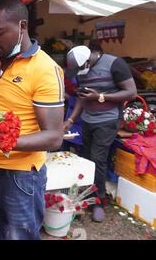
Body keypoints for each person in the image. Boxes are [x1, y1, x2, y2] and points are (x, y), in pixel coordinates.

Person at [0, 0, 64, 240]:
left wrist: (4, 142)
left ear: (22, 26)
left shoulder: (44, 70)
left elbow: (54, 137)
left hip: (21, 178)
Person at [64, 45, 137, 222]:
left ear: (88, 61)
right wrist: (70, 120)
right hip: (88, 120)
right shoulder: (82, 70)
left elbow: (131, 93)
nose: (79, 73)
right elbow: (83, 98)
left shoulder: (114, 64)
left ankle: (99, 202)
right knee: (86, 158)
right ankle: (86, 196)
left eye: (80, 69)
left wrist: (100, 97)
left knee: (98, 159)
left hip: (108, 120)